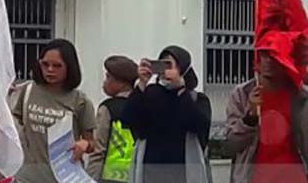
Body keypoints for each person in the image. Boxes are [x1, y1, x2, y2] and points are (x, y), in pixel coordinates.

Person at [11, 38, 96, 183]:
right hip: (27, 176)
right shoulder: (27, 91)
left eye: (57, 66)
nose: (50, 70)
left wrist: (84, 145)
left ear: (69, 67)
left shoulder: (80, 101)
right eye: (45, 64)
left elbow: (91, 143)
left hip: (64, 176)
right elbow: (16, 126)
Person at [122, 46, 211, 183]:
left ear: (182, 69)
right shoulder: (150, 93)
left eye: (169, 65)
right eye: (162, 64)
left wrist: (181, 90)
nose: (165, 70)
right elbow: (128, 119)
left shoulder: (196, 99)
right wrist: (141, 84)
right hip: (150, 170)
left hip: (183, 172)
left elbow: (200, 126)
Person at [224, 44, 308, 183]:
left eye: (275, 54)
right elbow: (231, 146)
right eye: (264, 54)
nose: (268, 60)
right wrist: (250, 116)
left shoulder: (301, 96)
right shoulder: (242, 94)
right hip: (254, 177)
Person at [87, 55, 139, 183]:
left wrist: (90, 179)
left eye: (108, 77)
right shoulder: (144, 105)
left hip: (111, 177)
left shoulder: (108, 108)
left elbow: (98, 151)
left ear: (121, 82)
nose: (105, 82)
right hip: (137, 175)